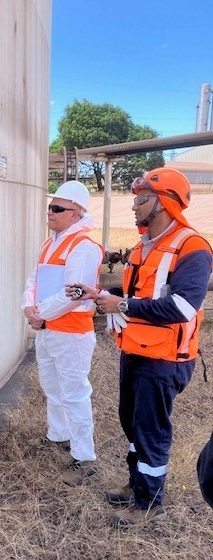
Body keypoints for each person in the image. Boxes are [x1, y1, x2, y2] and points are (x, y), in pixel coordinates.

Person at [67, 167, 213, 527]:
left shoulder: (192, 247)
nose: (134, 206)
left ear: (165, 203)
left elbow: (182, 307)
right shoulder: (144, 244)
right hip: (134, 350)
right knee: (132, 424)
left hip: (164, 360)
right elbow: (134, 295)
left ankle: (149, 503)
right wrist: (102, 295)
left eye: (142, 199)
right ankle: (137, 485)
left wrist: (123, 306)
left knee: (151, 430)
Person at [21, 180, 104, 486]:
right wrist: (28, 308)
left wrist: (38, 314)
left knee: (74, 394)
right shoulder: (51, 242)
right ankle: (58, 435)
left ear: (76, 214)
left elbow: (73, 295)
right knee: (52, 388)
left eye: (57, 208)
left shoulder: (83, 247)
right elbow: (34, 279)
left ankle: (84, 457)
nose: (50, 212)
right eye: (50, 207)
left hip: (70, 334)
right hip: (49, 329)